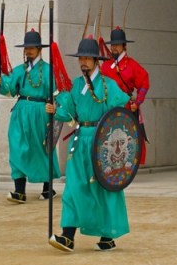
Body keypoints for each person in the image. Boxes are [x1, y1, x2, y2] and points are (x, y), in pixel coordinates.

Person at [47, 35, 131, 252]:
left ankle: (107, 236)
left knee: (103, 188)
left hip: (101, 142)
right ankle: (67, 236)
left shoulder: (109, 86)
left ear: (96, 61)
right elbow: (69, 113)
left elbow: (121, 108)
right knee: (73, 187)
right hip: (79, 140)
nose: (83, 61)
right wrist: (56, 111)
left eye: (87, 58)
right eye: (80, 58)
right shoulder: (75, 86)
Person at [0, 20, 60, 203]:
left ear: (39, 48)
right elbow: (10, 88)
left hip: (41, 112)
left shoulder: (48, 70)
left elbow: (58, 94)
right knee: (17, 148)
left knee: (43, 148)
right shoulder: (20, 70)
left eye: (32, 47)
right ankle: (19, 190)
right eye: (26, 47)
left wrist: (55, 108)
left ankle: (48, 188)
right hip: (20, 113)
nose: (28, 50)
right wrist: (0, 84)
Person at [100, 23, 151, 165]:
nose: (114, 47)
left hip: (126, 106)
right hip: (108, 106)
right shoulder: (105, 65)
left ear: (124, 46)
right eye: (112, 45)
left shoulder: (132, 64)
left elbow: (144, 82)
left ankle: (128, 164)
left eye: (118, 44)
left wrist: (137, 102)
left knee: (127, 137)